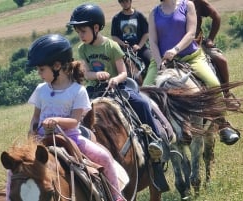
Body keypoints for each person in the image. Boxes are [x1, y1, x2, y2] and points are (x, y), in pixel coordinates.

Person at [6, 34, 125, 201]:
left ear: (57, 66)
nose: (39, 74)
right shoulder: (41, 89)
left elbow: (75, 121)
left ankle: (116, 197)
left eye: (41, 69)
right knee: (14, 169)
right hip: (42, 139)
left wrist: (56, 121)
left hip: (71, 138)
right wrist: (32, 133)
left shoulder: (78, 91)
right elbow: (35, 118)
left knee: (104, 157)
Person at [68, 3, 170, 191]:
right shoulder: (82, 49)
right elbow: (85, 73)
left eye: (83, 31)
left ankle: (155, 140)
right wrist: (95, 76)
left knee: (141, 102)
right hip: (95, 90)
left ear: (96, 28)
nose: (80, 35)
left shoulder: (112, 46)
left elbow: (123, 72)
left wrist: (115, 78)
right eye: (78, 32)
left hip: (118, 87)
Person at [145, 0, 240, 145]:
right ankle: (151, 134)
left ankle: (222, 124)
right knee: (144, 93)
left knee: (213, 83)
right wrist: (159, 63)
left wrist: (175, 50)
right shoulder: (154, 13)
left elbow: (190, 34)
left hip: (190, 57)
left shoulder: (187, 5)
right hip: (162, 60)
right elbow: (152, 41)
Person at [191, 0, 233, 98]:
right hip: (175, 47)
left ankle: (226, 94)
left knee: (221, 60)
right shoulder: (171, 3)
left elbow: (216, 16)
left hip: (197, 43)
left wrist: (210, 39)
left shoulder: (198, 2)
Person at [111, 0, 151, 72]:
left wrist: (139, 46)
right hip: (123, 51)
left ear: (130, 1)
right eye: (122, 2)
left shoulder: (139, 16)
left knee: (150, 61)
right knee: (114, 66)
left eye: (127, 1)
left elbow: (146, 33)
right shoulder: (116, 18)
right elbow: (114, 36)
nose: (125, 4)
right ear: (119, 3)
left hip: (140, 48)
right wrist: (122, 44)